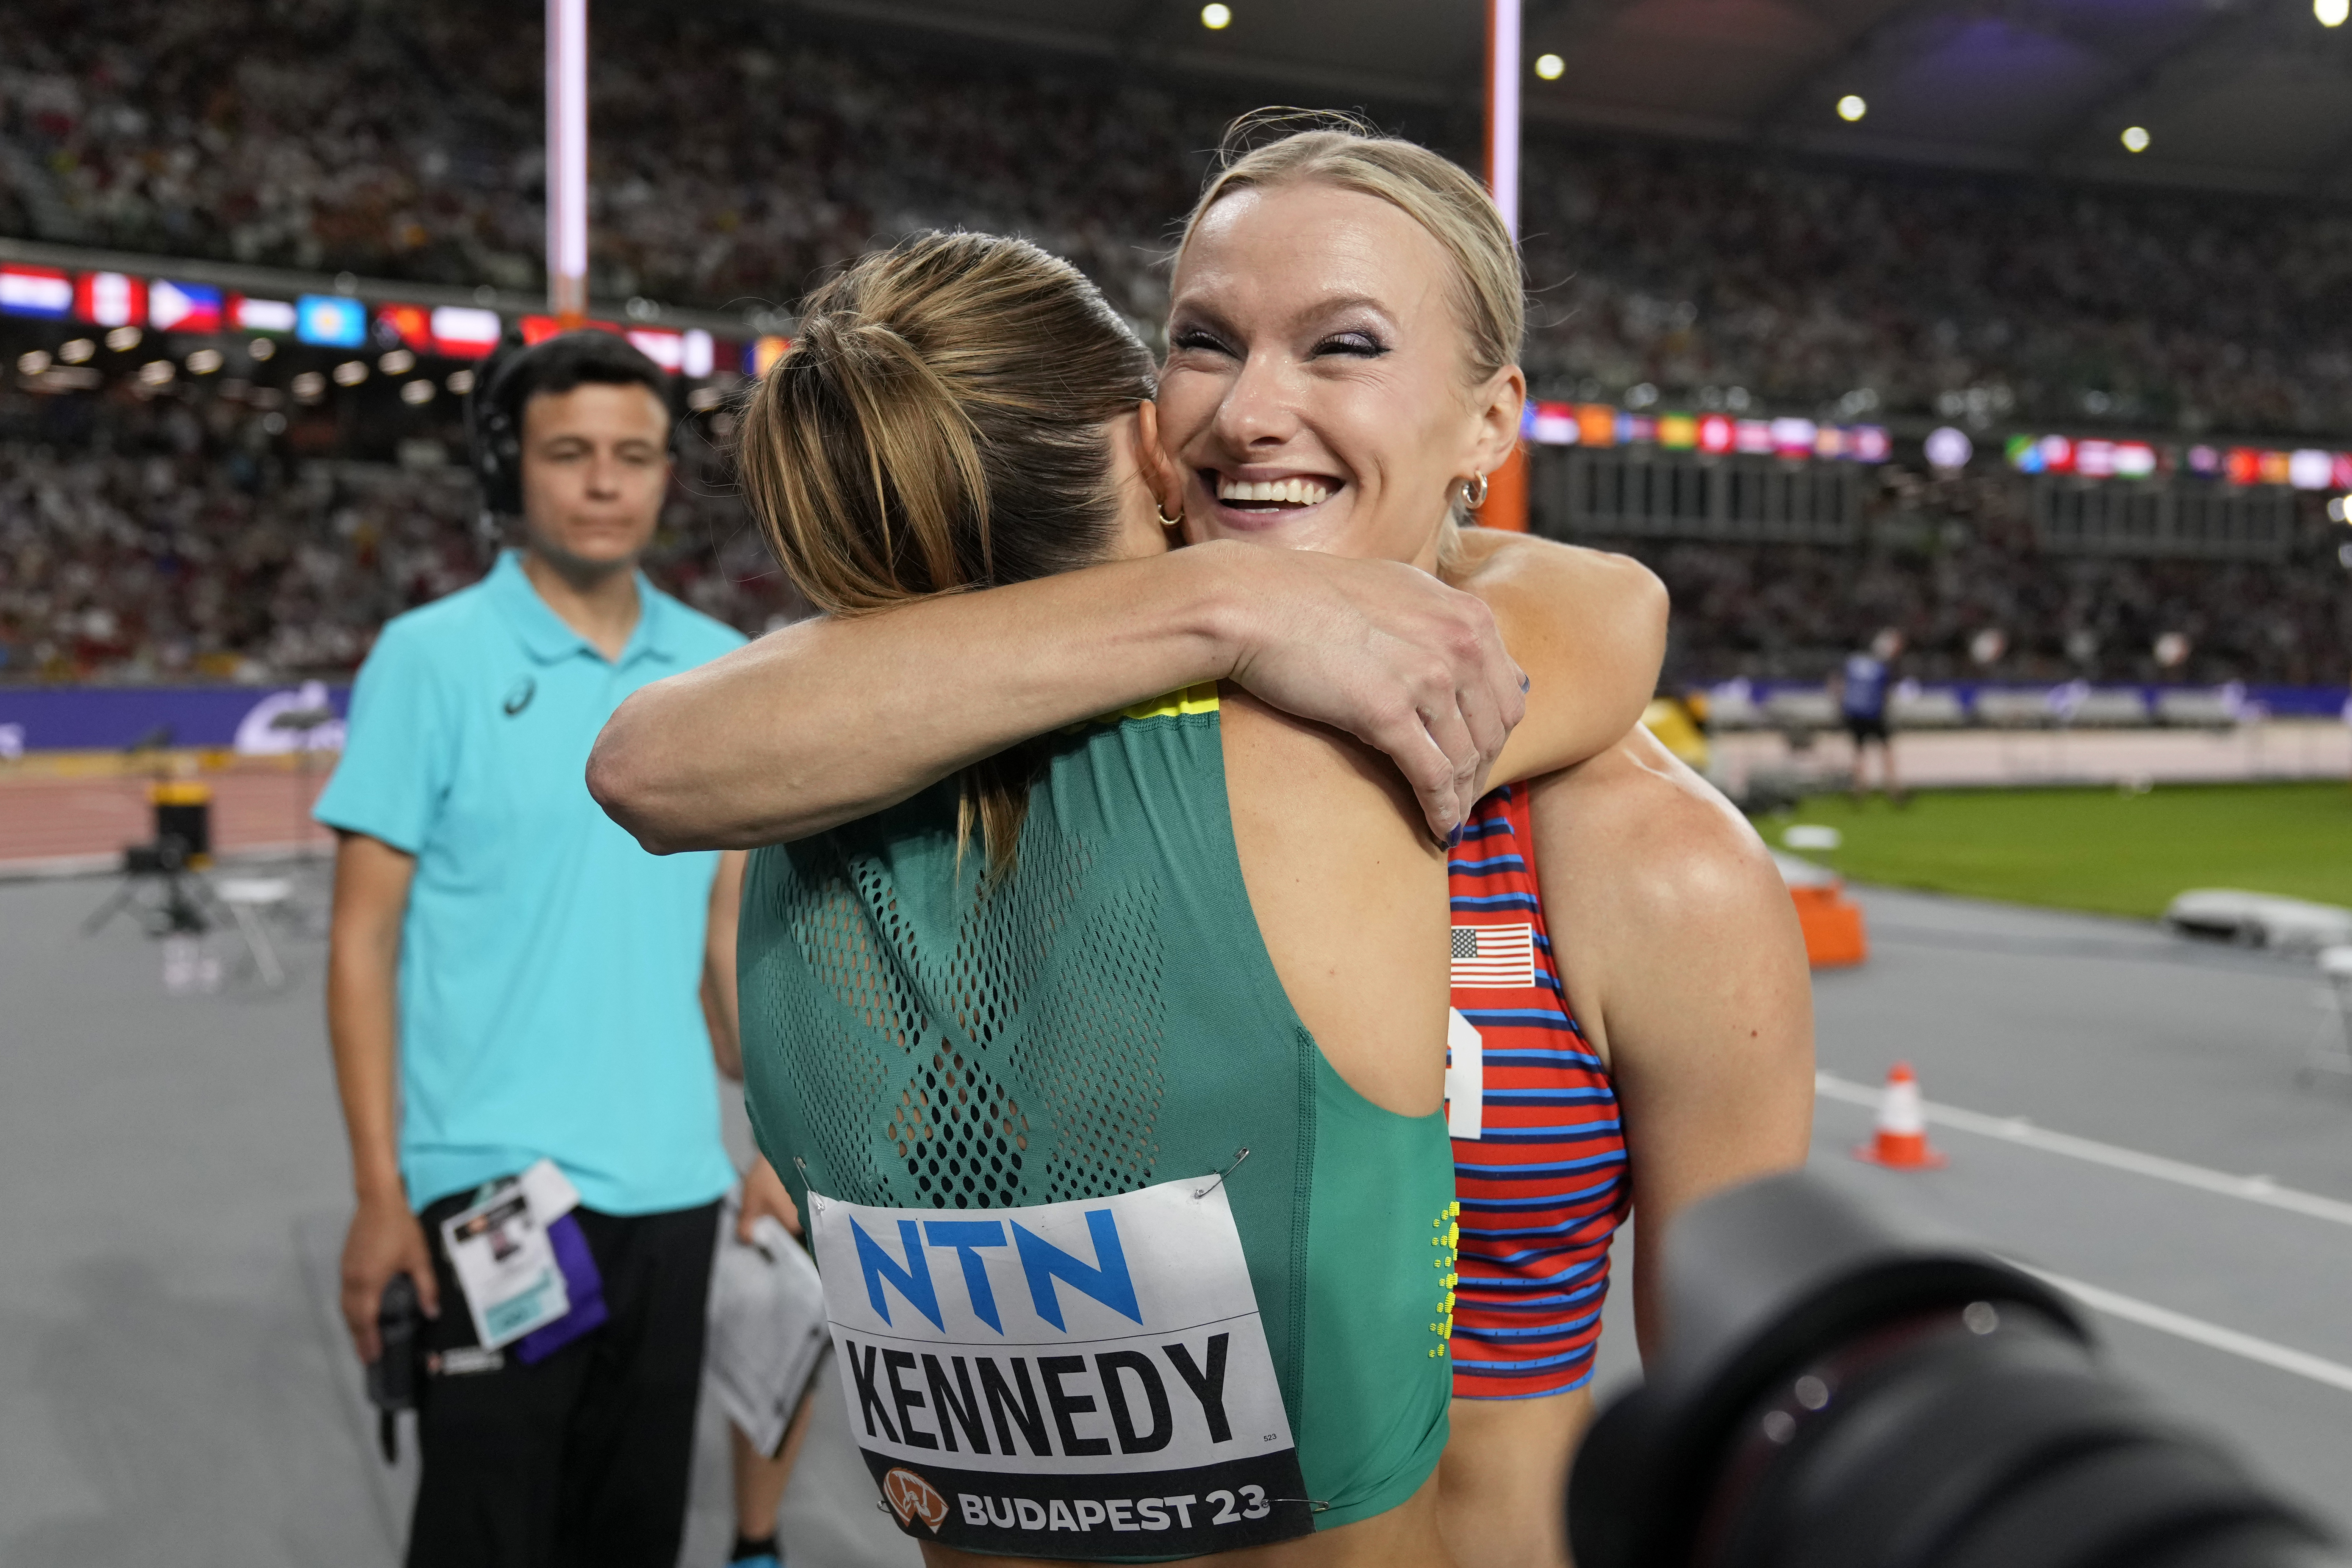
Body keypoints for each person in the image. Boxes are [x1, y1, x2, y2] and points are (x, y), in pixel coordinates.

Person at [589, 116, 1802, 1568]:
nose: (1247, 413)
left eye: (1343, 346)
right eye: (1206, 341)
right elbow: (654, 756)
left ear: (1489, 421)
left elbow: (1738, 1408)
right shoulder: (952, 755)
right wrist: (1233, 605)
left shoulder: (1637, 862)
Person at [319, 330, 802, 1568]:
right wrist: (381, 1190)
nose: (603, 482)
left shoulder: (717, 667)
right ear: (510, 469)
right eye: (569, 452)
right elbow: (363, 938)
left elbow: (728, 938)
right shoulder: (429, 659)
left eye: (633, 455)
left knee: (631, 1528)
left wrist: (776, 1143)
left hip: (674, 1182)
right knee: (485, 1526)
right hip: (492, 1187)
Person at [1829, 627, 1904, 802]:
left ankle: (1859, 792)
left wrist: (1842, 707)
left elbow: (1838, 686)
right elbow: (1885, 693)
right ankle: (1894, 791)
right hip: (1874, 713)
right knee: (1886, 750)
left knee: (1859, 752)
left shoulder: (1852, 663)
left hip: (1854, 713)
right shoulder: (1881, 667)